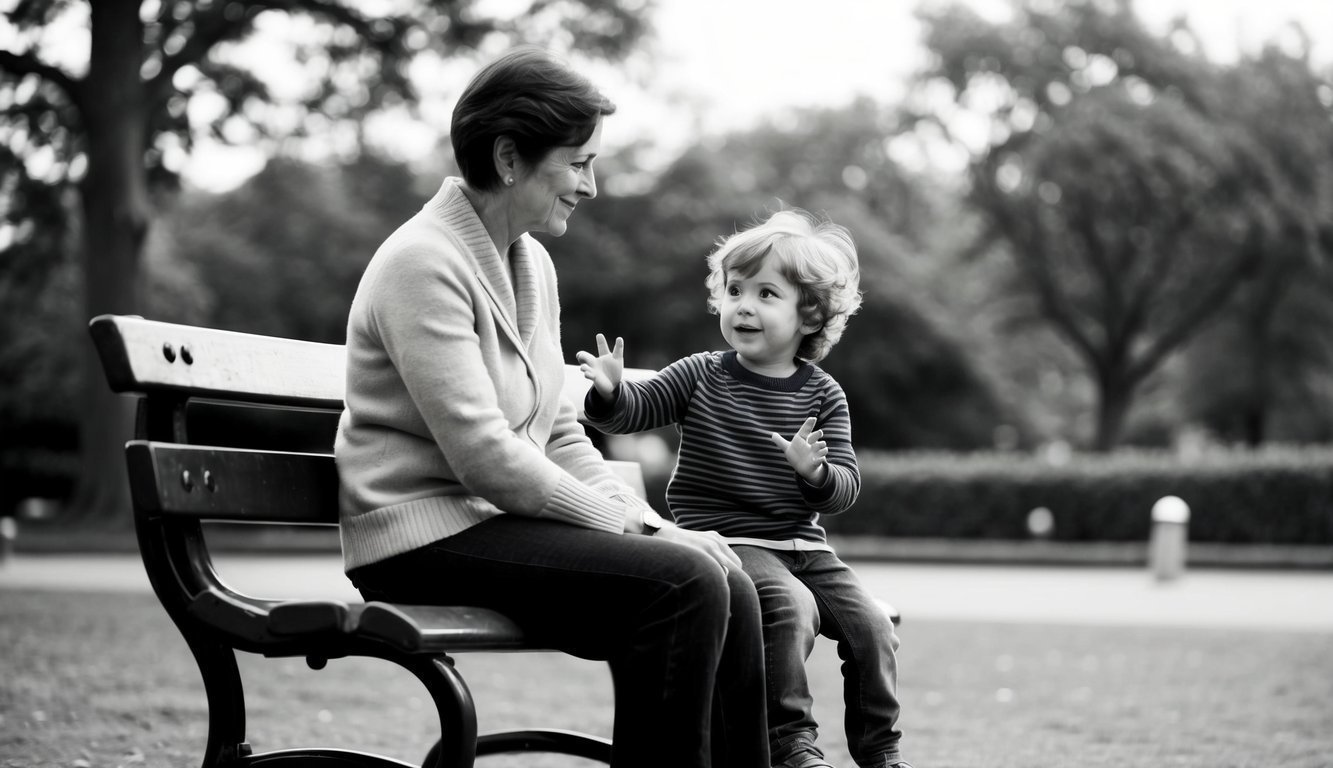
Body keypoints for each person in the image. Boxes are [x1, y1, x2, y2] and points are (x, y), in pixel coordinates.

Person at [334, 46, 769, 768]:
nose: (592, 186)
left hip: (490, 523)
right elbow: (485, 458)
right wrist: (633, 524)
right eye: (578, 163)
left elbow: (557, 429)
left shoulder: (529, 260)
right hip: (418, 541)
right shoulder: (422, 261)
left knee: (726, 575)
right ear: (509, 158)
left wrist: (654, 524)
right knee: (683, 581)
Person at [577, 208, 913, 768]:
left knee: (872, 627)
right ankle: (790, 746)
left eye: (765, 294)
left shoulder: (825, 395)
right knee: (789, 609)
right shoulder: (701, 374)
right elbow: (633, 413)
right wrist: (611, 393)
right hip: (732, 544)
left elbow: (844, 488)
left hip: (805, 547)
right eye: (734, 290)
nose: (744, 306)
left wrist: (815, 475)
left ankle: (881, 753)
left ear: (809, 316)